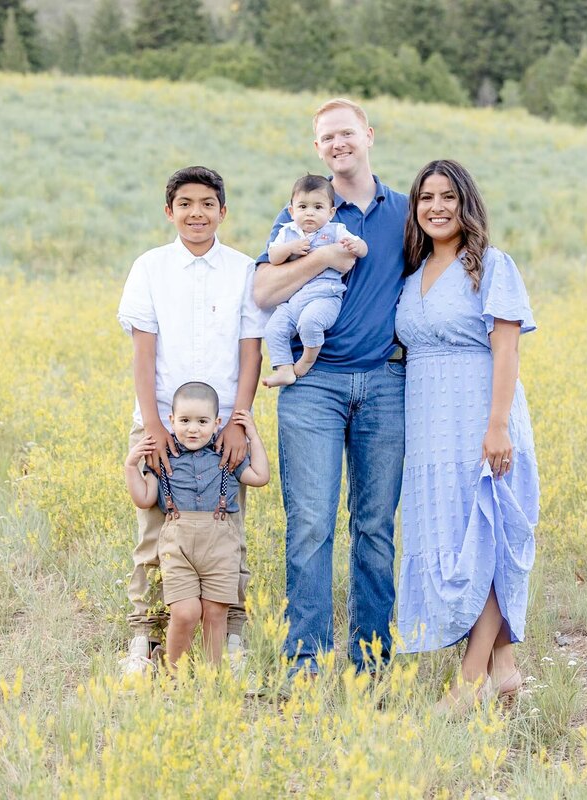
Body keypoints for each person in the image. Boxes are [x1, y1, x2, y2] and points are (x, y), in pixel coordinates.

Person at [253, 99, 408, 675]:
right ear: (318, 148)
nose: (338, 143)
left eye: (347, 132)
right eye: (327, 137)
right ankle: (305, 662)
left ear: (368, 135)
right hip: (312, 384)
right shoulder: (306, 208)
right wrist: (322, 257)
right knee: (312, 522)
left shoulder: (406, 211)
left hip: (386, 382)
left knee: (374, 525)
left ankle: (372, 661)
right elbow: (265, 292)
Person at [393, 159, 539, 710]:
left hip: (482, 417)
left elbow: (507, 347)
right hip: (431, 428)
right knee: (459, 541)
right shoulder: (410, 279)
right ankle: (504, 668)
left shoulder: (492, 267)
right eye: (425, 197)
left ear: (465, 203)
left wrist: (498, 426)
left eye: (447, 196)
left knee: (490, 534)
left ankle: (470, 679)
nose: (436, 206)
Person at [117, 166, 267, 675]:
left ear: (223, 211)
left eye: (207, 203)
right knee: (156, 528)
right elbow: (144, 352)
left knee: (226, 528)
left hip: (222, 426)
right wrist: (155, 425)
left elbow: (252, 351)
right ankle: (145, 635)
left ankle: (229, 636)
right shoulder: (150, 268)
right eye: (185, 203)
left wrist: (240, 422)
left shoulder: (245, 269)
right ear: (169, 211)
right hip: (163, 421)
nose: (196, 212)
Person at [124, 382, 270, 671]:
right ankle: (174, 674)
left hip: (220, 548)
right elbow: (144, 499)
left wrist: (251, 434)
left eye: (202, 422)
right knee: (186, 611)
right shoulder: (164, 460)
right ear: (171, 421)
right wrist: (131, 465)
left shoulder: (225, 455)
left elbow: (260, 476)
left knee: (216, 612)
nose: (193, 429)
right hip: (178, 548)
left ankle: (210, 677)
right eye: (185, 421)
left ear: (217, 423)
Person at [263, 174, 368, 388]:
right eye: (302, 207)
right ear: (291, 211)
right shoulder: (287, 232)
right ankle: (284, 369)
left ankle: (308, 359)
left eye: (318, 207)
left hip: (325, 295)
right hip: (293, 301)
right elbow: (273, 256)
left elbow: (362, 247)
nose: (309, 213)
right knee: (273, 328)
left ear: (331, 213)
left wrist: (357, 247)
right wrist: (290, 248)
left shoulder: (335, 230)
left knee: (310, 323)